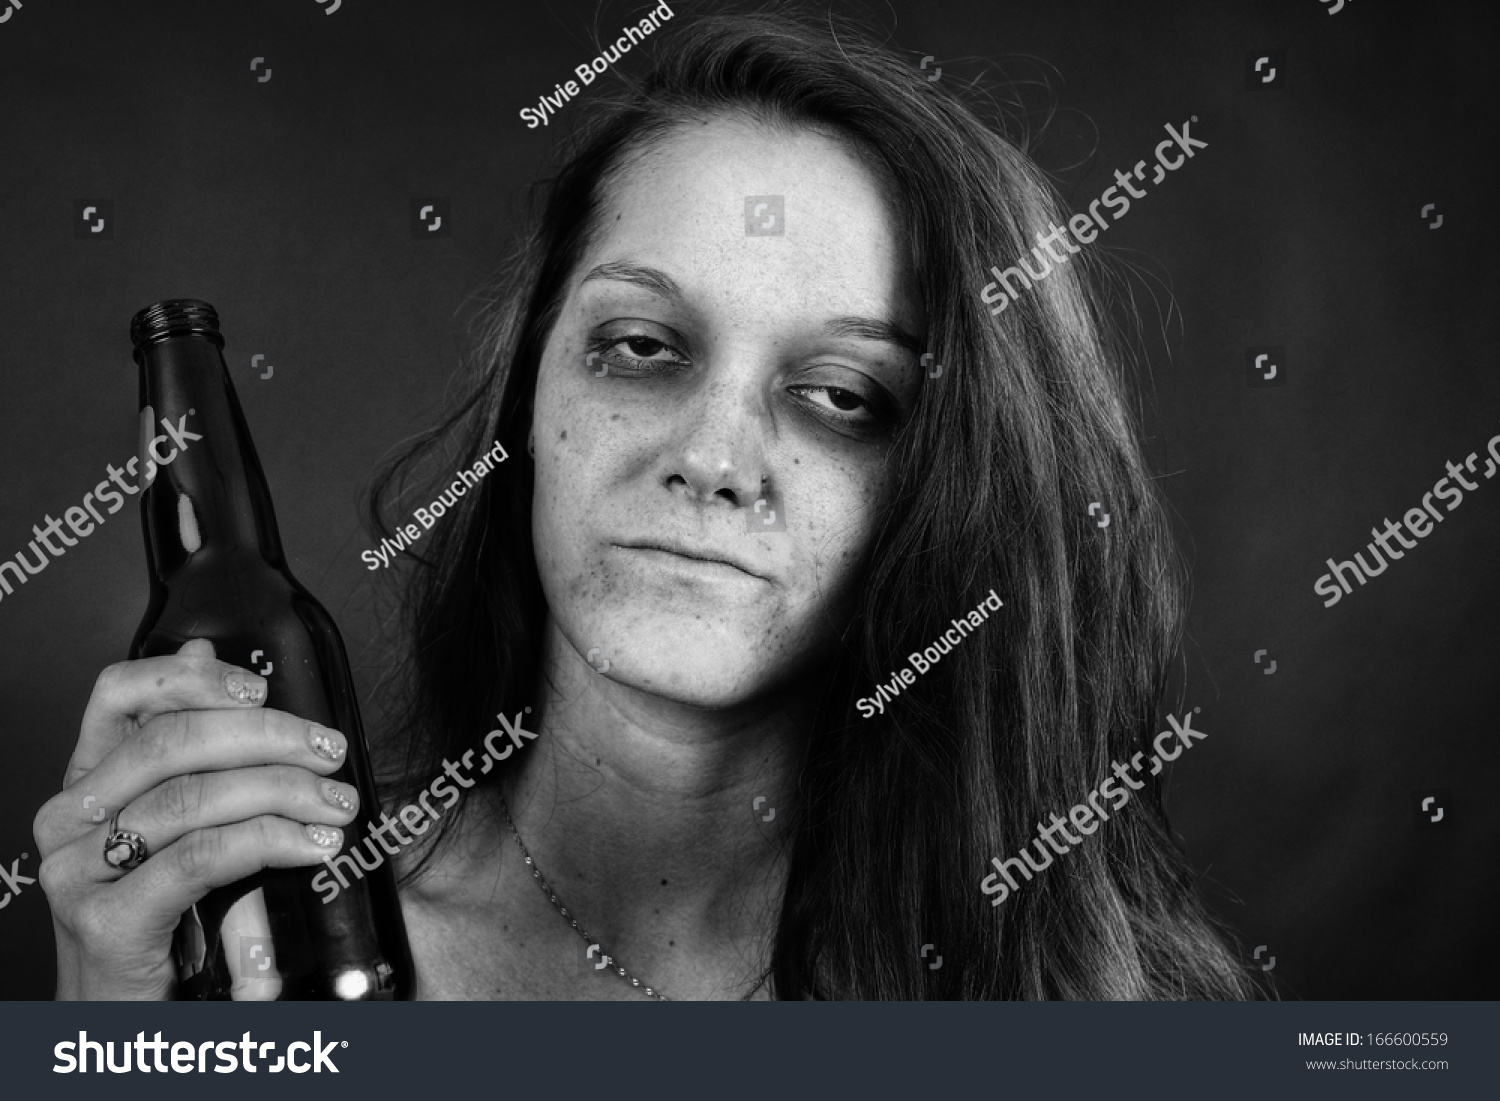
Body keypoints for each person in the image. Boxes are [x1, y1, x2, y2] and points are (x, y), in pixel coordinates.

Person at [33, 9, 1255, 1000]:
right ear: (528, 401)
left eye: (838, 394)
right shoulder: (273, 960)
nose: (714, 456)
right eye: (641, 346)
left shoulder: (1083, 998)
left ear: (956, 487)